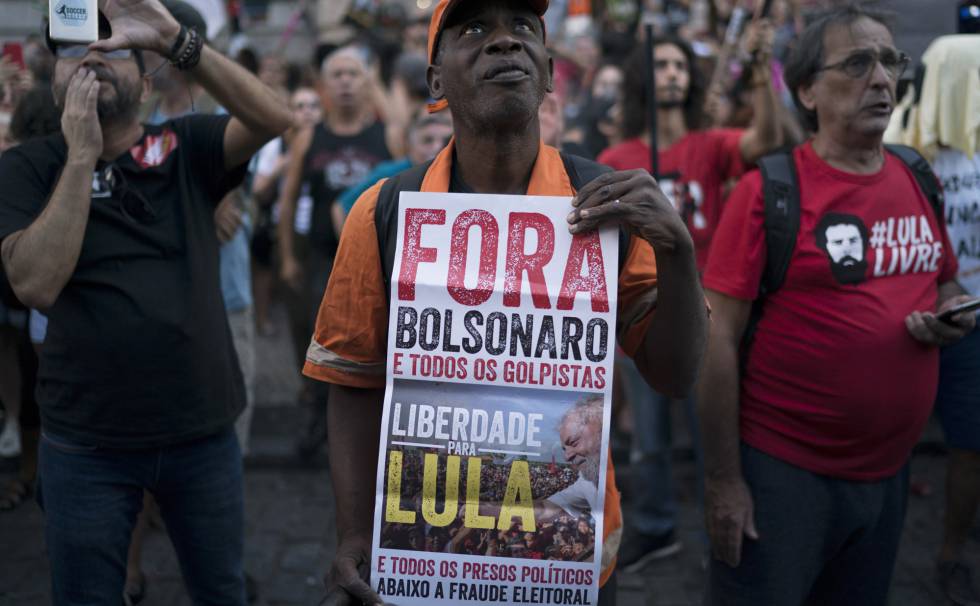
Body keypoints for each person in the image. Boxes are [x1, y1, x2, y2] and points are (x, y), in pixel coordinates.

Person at [302, 1, 707, 604]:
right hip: (426, 569)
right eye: (473, 30)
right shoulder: (385, 211)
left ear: (546, 70)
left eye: (522, 28)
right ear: (435, 80)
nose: (504, 43)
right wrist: (354, 536)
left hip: (572, 567)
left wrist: (679, 255)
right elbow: (354, 383)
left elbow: (676, 376)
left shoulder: (604, 208)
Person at [0, 1, 292, 603]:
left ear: (147, 76)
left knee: (221, 590)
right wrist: (82, 156)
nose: (92, 60)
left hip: (201, 434)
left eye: (113, 51)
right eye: (74, 52)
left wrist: (173, 37)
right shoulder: (26, 168)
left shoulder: (185, 147)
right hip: (86, 445)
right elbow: (35, 284)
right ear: (50, 78)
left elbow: (273, 118)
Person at [698, 6, 977, 605]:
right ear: (806, 91)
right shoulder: (768, 192)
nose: (881, 79)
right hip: (783, 476)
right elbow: (715, 342)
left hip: (887, 476)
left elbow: (944, 279)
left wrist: (953, 313)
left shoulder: (915, 173)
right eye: (857, 63)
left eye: (889, 61)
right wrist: (724, 483)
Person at [599, 27, 783, 572]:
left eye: (680, 65)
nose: (672, 73)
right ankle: (656, 528)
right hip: (644, 314)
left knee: (715, 433)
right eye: (660, 65)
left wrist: (763, 76)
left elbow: (768, 140)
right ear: (641, 81)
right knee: (650, 439)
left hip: (712, 315)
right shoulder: (617, 156)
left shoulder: (712, 143)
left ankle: (722, 523)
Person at [886, 33, 980, 606]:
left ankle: (950, 552)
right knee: (895, 435)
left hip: (971, 319)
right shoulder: (900, 147)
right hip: (907, 318)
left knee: (970, 445)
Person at [277, 45, 391, 460]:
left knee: (370, 341)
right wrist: (288, 255)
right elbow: (288, 201)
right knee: (314, 339)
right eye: (337, 75)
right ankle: (313, 418)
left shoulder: (387, 134)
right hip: (321, 258)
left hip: (374, 261)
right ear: (324, 85)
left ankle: (367, 426)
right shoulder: (311, 136)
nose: (345, 82)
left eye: (353, 74)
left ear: (366, 82)